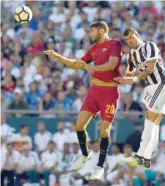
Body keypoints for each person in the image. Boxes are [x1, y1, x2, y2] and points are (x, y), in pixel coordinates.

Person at [44, 20, 122, 180]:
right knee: (79, 125)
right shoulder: (93, 49)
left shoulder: (115, 44)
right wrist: (58, 57)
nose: (90, 34)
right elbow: (77, 64)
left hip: (109, 92)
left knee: (104, 131)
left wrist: (92, 68)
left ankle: (100, 165)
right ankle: (85, 154)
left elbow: (112, 65)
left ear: (101, 31)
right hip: (94, 91)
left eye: (92, 31)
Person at [114, 28, 165, 168]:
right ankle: (146, 158)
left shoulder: (149, 45)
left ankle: (141, 156)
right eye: (127, 40)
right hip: (153, 88)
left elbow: (151, 68)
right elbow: (131, 73)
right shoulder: (132, 55)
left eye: (131, 38)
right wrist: (119, 79)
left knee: (149, 120)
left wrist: (134, 79)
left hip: (161, 84)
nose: (130, 41)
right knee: (154, 124)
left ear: (137, 35)